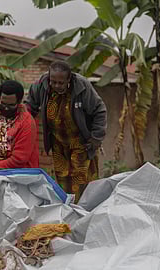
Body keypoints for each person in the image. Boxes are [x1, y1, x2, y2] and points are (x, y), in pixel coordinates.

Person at [25, 60, 107, 202]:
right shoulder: (42, 85)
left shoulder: (82, 86)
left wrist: (96, 138)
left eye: (61, 83)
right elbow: (30, 106)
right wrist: (22, 123)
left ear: (69, 79)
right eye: (53, 82)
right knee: (62, 181)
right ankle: (66, 213)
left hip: (81, 143)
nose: (56, 86)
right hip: (58, 143)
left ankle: (83, 214)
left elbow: (100, 110)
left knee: (81, 182)